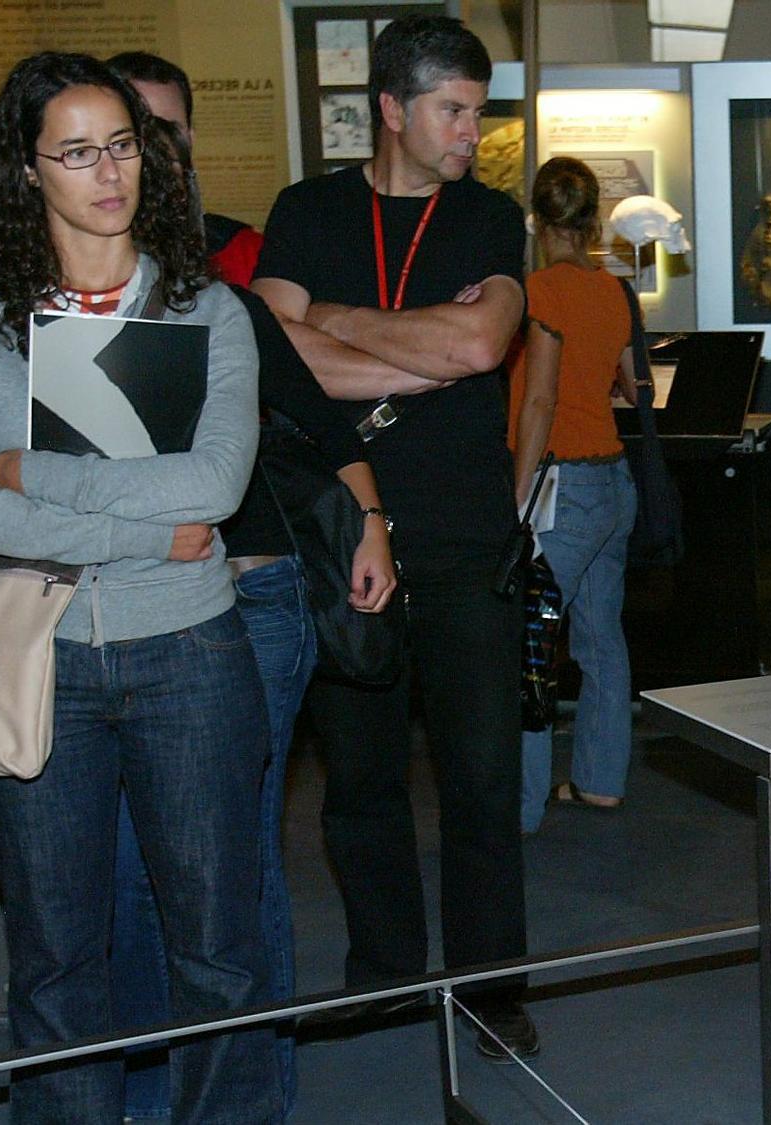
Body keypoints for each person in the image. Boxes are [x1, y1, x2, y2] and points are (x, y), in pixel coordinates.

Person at [0, 52, 275, 1121]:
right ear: (28, 171)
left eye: (121, 144)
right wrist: (142, 524)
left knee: (218, 951)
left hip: (191, 655)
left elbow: (212, 489)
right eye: (75, 151)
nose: (107, 171)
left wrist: (30, 470)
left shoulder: (204, 310)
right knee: (57, 960)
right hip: (40, 661)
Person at [103, 53, 397, 1121]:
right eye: (136, 129)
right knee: (133, 868)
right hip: (115, 609)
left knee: (231, 868)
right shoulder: (44, 297)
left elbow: (316, 416)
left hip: (254, 596)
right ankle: (145, 1094)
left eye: (174, 131)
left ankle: (243, 1102)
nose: (157, 152)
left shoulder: (217, 290)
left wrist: (370, 525)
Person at [251, 15, 537, 1060]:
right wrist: (421, 351)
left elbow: (481, 340)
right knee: (359, 783)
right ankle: (382, 976)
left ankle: (490, 990)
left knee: (478, 779)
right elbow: (270, 358)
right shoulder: (309, 209)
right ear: (390, 109)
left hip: (465, 541)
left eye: (478, 108)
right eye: (453, 110)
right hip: (341, 539)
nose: (472, 128)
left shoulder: (488, 216)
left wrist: (332, 321)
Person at [509, 157, 640, 831]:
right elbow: (629, 385)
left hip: (565, 484)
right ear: (592, 221)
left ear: (537, 220)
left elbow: (539, 398)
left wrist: (517, 491)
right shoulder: (613, 290)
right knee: (600, 638)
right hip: (615, 481)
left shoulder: (540, 290)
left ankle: (522, 806)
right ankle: (600, 781)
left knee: (527, 645)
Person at [103, 52, 263, 285]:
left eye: (168, 130)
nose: (156, 146)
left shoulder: (242, 252)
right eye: (133, 131)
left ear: (188, 139)